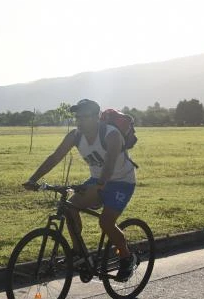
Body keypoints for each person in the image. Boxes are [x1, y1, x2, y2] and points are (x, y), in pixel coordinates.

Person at [23, 99, 138, 280]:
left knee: (106, 222)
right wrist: (33, 179)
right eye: (78, 117)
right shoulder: (75, 136)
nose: (80, 121)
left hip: (121, 181)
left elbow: (109, 165)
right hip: (97, 179)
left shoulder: (111, 135)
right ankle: (80, 254)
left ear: (97, 117)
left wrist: (100, 185)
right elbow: (55, 157)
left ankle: (126, 257)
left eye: (85, 117)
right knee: (70, 206)